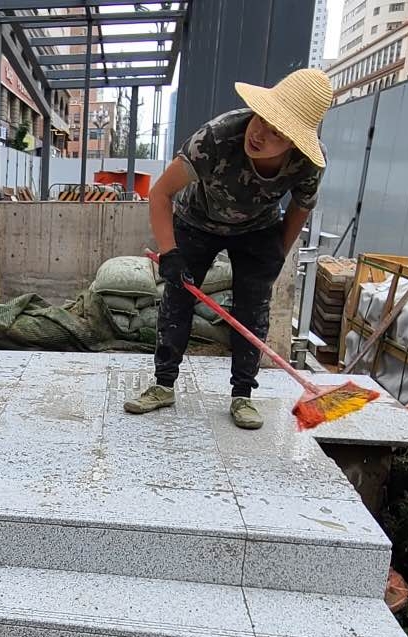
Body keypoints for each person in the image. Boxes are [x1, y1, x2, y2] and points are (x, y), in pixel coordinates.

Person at [125, 69, 333, 430]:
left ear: (295, 143)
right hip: (197, 220)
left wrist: (277, 256)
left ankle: (242, 395)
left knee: (253, 308)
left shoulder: (309, 163)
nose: (260, 134)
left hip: (258, 229)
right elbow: (160, 193)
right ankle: (163, 385)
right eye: (263, 119)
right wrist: (170, 252)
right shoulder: (218, 136)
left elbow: (300, 209)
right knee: (177, 299)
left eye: (277, 132)